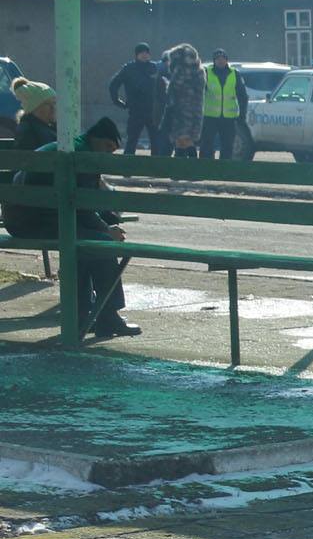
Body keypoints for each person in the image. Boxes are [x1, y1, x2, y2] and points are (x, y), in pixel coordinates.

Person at [3, 82, 139, 337]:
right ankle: (107, 316)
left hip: (30, 217)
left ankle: (81, 315)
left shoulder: (74, 146)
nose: (109, 156)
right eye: (108, 148)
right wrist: (106, 228)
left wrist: (107, 220)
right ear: (97, 141)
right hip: (34, 222)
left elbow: (80, 203)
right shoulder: (79, 155)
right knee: (99, 244)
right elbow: (80, 207)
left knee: (85, 243)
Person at [108, 43, 160, 157]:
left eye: (147, 52)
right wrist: (117, 101)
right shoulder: (129, 68)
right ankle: (127, 165)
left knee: (156, 141)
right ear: (136, 55)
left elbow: (165, 86)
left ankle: (156, 165)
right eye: (142, 53)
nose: (144, 55)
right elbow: (113, 85)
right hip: (136, 111)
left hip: (153, 112)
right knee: (132, 140)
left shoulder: (155, 68)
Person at [158, 43, 204, 164]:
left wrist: (168, 85)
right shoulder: (199, 69)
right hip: (194, 110)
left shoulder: (181, 70)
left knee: (183, 139)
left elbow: (175, 87)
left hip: (180, 110)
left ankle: (186, 167)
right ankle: (186, 167)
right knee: (183, 140)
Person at [199, 49, 246, 160]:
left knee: (228, 145)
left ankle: (224, 168)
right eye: (218, 59)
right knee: (206, 145)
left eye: (223, 58)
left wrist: (242, 115)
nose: (220, 61)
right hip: (209, 117)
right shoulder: (206, 72)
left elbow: (242, 96)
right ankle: (206, 167)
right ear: (214, 60)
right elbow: (198, 93)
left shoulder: (235, 74)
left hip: (228, 117)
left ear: (226, 60)